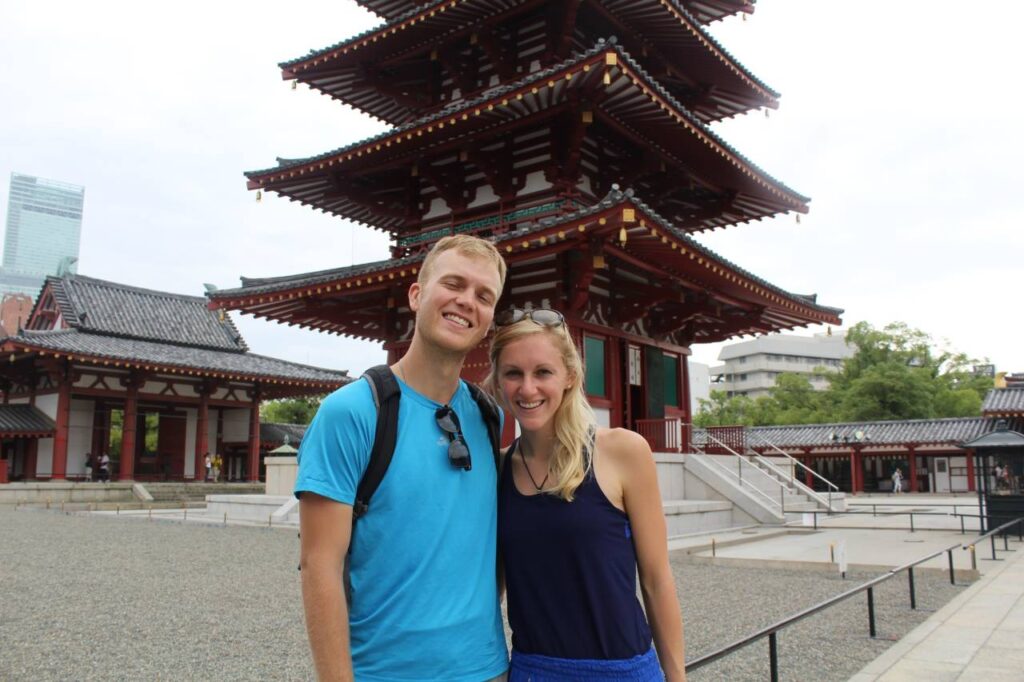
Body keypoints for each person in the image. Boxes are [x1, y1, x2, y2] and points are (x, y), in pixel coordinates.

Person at [295, 235, 509, 682]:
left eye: (483, 295)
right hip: (384, 672)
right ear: (416, 294)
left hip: (488, 669)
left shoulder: (490, 417)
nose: (466, 301)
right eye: (454, 284)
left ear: (489, 321)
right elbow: (320, 566)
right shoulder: (353, 412)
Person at [483, 308, 686, 682]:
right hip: (533, 670)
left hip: (622, 670)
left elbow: (657, 580)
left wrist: (677, 677)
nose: (528, 389)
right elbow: (489, 586)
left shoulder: (623, 452)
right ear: (497, 383)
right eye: (513, 373)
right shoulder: (494, 470)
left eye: (543, 372)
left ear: (570, 376)